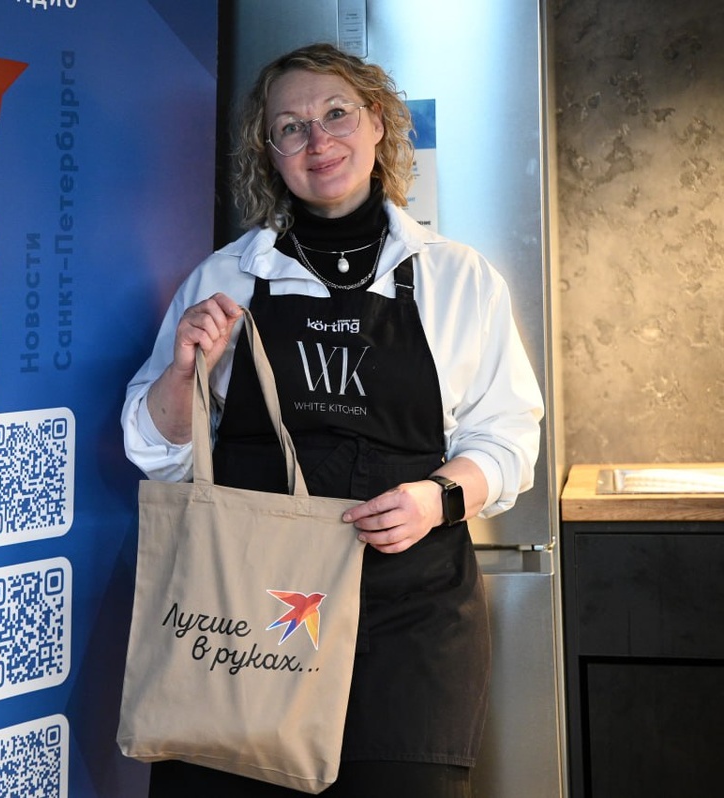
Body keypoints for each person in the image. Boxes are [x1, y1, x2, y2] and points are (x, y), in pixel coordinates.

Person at [120, 42, 544, 797]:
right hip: (243, 618)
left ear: (378, 123)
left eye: (337, 113)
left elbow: (507, 437)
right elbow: (159, 453)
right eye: (291, 127)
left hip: (407, 619)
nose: (318, 140)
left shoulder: (457, 278)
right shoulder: (225, 279)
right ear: (270, 151)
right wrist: (184, 373)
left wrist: (437, 498)